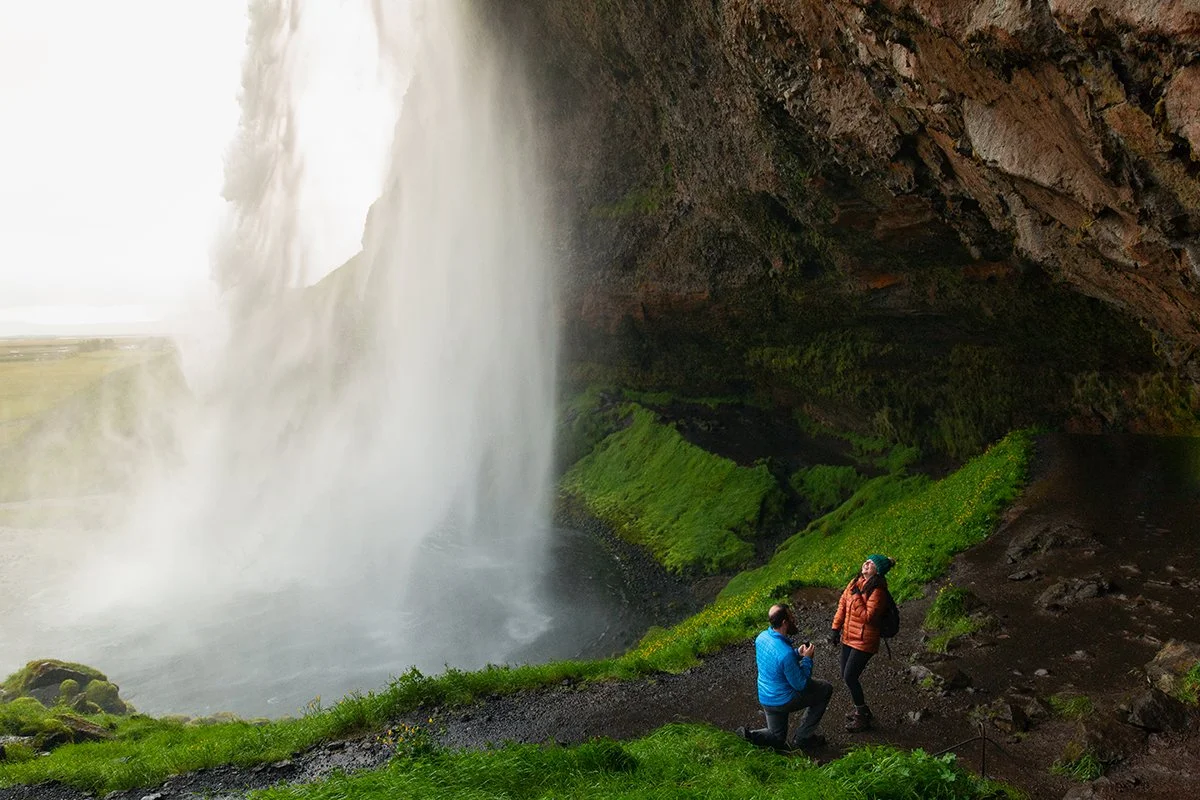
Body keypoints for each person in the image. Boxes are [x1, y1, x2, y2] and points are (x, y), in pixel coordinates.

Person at [738, 602, 833, 751]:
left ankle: (749, 736)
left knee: (777, 738)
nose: (794, 619)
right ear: (784, 622)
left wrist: (797, 654)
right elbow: (801, 685)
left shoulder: (761, 637)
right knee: (825, 689)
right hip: (783, 700)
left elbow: (775, 662)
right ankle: (803, 737)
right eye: (791, 617)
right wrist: (807, 659)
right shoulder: (784, 653)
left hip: (766, 697)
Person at [829, 553, 895, 732]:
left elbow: (868, 617)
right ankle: (863, 710)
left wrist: (857, 596)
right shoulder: (854, 582)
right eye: (867, 560)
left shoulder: (878, 590)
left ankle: (862, 717)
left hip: (865, 640)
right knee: (845, 674)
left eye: (871, 563)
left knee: (850, 676)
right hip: (849, 637)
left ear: (878, 571)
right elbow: (842, 605)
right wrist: (836, 629)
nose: (866, 563)